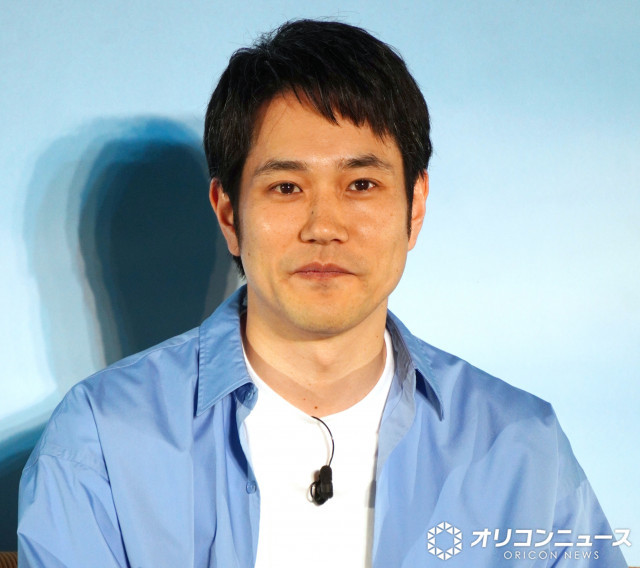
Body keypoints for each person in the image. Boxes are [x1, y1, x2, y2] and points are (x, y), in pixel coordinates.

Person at [18, 19, 626, 568]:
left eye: (361, 184)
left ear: (415, 206)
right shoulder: (102, 439)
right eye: (286, 187)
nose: (324, 226)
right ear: (228, 213)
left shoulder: (520, 444)